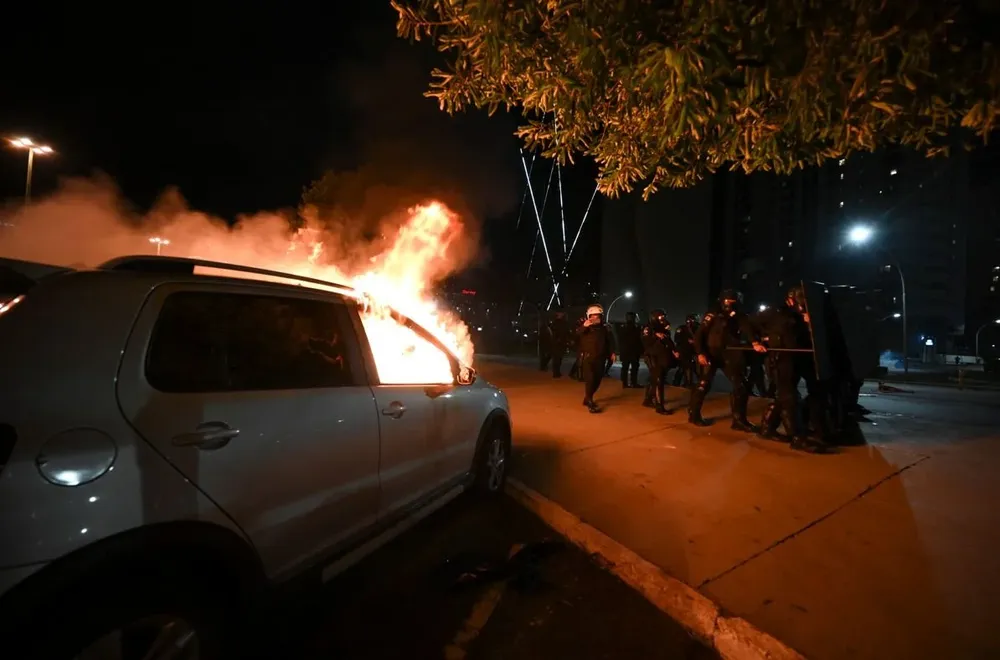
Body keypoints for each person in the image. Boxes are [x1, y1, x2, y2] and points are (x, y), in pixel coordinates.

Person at [757, 286, 828, 453]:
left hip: (798, 358)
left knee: (784, 397)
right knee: (788, 397)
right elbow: (751, 322)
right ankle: (797, 437)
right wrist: (756, 341)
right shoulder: (777, 313)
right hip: (781, 359)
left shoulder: (803, 314)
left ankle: (767, 429)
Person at [687, 289, 767, 431]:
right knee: (703, 384)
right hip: (711, 352)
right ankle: (694, 415)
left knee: (740, 386)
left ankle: (739, 420)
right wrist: (700, 353)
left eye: (734, 301)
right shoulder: (712, 315)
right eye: (729, 301)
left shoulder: (739, 315)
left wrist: (754, 342)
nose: (731, 304)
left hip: (729, 353)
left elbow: (747, 328)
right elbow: (699, 335)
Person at [577, 304, 615, 413]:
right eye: (592, 316)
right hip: (588, 357)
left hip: (601, 357)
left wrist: (611, 353)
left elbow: (610, 341)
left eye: (597, 316)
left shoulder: (605, 328)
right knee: (590, 379)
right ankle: (590, 402)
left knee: (597, 380)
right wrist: (584, 327)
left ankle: (587, 397)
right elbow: (576, 335)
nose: (595, 318)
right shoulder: (584, 326)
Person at [642, 309, 679, 414]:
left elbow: (668, 340)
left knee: (655, 379)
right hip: (652, 356)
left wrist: (674, 350)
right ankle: (659, 406)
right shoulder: (648, 328)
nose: (663, 319)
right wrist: (655, 335)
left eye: (663, 316)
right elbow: (645, 341)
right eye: (660, 317)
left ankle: (648, 399)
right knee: (659, 380)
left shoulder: (664, 328)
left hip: (662, 356)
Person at [672, 314, 699, 388]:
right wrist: (687, 341)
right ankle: (685, 383)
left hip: (692, 351)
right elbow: (677, 339)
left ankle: (686, 382)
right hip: (683, 350)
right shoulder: (682, 328)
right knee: (684, 367)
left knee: (690, 367)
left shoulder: (697, 328)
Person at [618, 311, 643, 388]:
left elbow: (620, 339)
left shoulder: (622, 327)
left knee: (625, 368)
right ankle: (633, 383)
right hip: (634, 351)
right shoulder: (637, 328)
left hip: (625, 351)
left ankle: (624, 383)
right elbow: (639, 339)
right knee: (634, 368)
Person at [547, 310, 571, 378]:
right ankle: (555, 372)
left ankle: (557, 372)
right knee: (556, 358)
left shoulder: (562, 323)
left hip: (560, 342)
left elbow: (566, 332)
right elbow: (553, 333)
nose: (561, 314)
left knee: (559, 358)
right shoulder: (555, 323)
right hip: (557, 343)